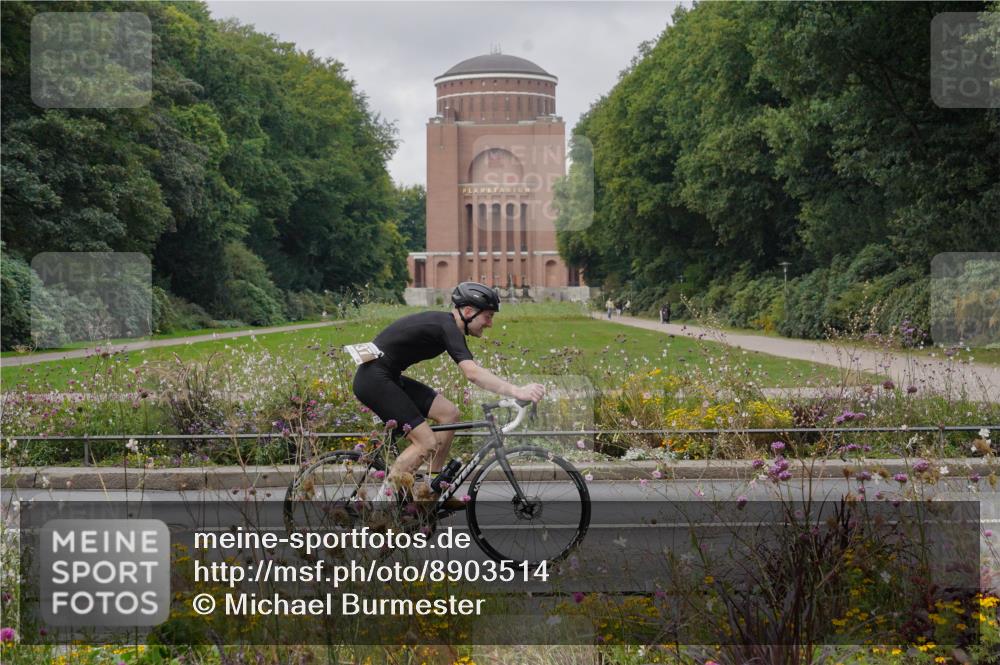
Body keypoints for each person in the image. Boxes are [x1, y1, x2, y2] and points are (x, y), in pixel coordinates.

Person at [352, 282, 545, 501]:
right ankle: (383, 508)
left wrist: (512, 390)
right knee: (425, 442)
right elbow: (472, 373)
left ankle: (432, 488)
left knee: (449, 413)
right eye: (488, 316)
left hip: (387, 377)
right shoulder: (446, 326)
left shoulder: (448, 327)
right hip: (373, 380)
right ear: (469, 312)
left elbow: (474, 371)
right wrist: (517, 390)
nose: (490, 324)